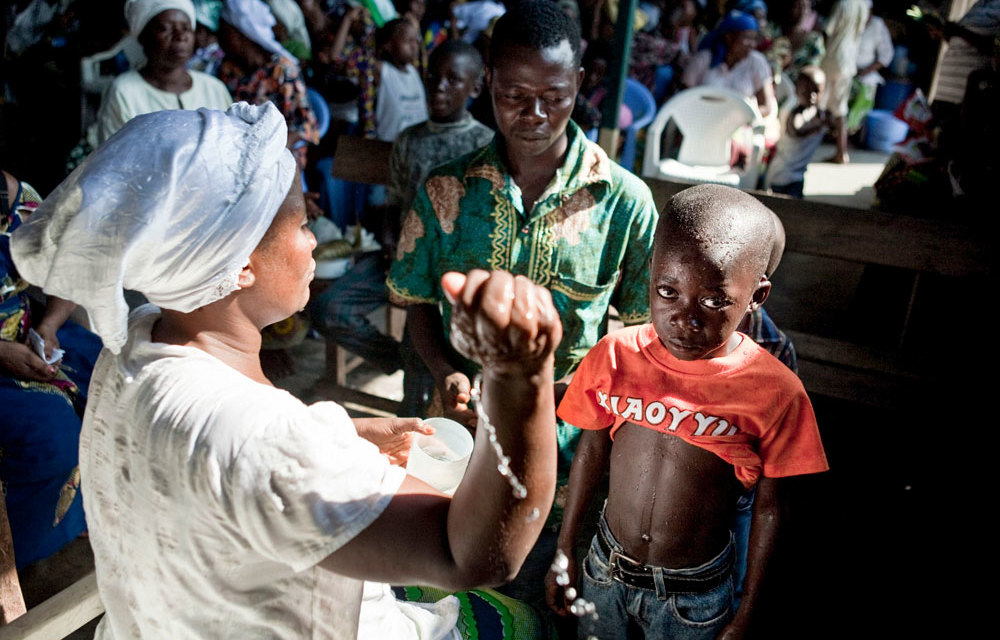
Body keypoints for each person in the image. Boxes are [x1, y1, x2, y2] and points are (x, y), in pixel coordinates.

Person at [10, 102, 560, 639]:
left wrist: (341, 435)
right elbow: (476, 554)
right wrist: (525, 376)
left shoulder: (135, 340)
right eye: (301, 222)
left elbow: (219, 448)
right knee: (525, 620)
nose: (315, 234)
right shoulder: (267, 441)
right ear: (240, 262)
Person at [386, 0, 657, 604]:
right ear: (488, 83)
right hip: (454, 422)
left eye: (555, 96)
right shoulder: (446, 190)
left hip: (563, 431)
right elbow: (415, 303)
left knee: (533, 577)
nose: (534, 113)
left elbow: (640, 335)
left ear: (580, 84)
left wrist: (596, 421)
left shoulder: (624, 203)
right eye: (513, 94)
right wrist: (447, 373)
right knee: (441, 573)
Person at [546, 184, 829, 640]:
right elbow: (590, 453)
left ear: (756, 298)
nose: (685, 318)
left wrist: (748, 610)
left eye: (715, 301)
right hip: (604, 569)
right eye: (668, 291)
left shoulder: (776, 391)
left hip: (694, 595)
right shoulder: (616, 355)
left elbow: (772, 510)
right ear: (650, 277)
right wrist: (564, 551)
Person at [311, 40, 493, 415]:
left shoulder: (484, 145)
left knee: (421, 349)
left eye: (452, 79)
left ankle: (414, 396)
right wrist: (394, 242)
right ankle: (393, 359)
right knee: (329, 308)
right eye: (432, 78)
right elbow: (395, 202)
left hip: (448, 275)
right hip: (401, 260)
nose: (438, 87)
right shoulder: (410, 139)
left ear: (475, 88)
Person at [1, 168, 102, 569]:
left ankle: (78, 510)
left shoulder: (12, 197)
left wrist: (49, 326)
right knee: (51, 433)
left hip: (26, 335)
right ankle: (14, 555)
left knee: (112, 376)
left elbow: (67, 266)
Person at [97, 0, 233, 143]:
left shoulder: (214, 89)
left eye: (186, 28)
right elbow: (114, 158)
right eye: (165, 29)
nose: (180, 36)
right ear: (143, 38)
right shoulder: (124, 92)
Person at [217, 0, 319, 145]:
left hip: (280, 147)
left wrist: (271, 153)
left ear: (244, 36)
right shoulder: (228, 70)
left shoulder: (282, 70)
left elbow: (305, 127)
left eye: (227, 31)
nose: (222, 38)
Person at [682, 10, 778, 140]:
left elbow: (766, 107)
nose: (752, 45)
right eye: (746, 38)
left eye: (754, 39)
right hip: (699, 124)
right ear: (729, 38)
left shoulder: (757, 62)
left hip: (737, 129)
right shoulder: (704, 59)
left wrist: (736, 118)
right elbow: (683, 97)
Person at [764, 65, 830, 198]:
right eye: (806, 90)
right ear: (796, 90)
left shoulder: (818, 114)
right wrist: (819, 126)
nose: (811, 95)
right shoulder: (793, 114)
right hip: (782, 176)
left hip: (797, 175)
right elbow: (796, 129)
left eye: (816, 91)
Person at [818, 0, 869, 164]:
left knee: (819, 104)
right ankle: (842, 151)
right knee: (840, 109)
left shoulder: (842, 4)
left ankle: (807, 147)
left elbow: (827, 30)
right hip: (848, 61)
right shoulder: (863, 6)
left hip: (833, 59)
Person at [375, 18, 428, 142]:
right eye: (408, 41)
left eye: (416, 41)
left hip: (417, 145)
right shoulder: (381, 71)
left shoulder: (414, 72)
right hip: (388, 147)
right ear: (388, 45)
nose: (414, 46)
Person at [846, 5, 893, 134]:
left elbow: (887, 55)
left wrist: (867, 70)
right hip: (846, 71)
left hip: (865, 74)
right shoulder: (849, 21)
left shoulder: (877, 25)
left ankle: (851, 132)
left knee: (862, 94)